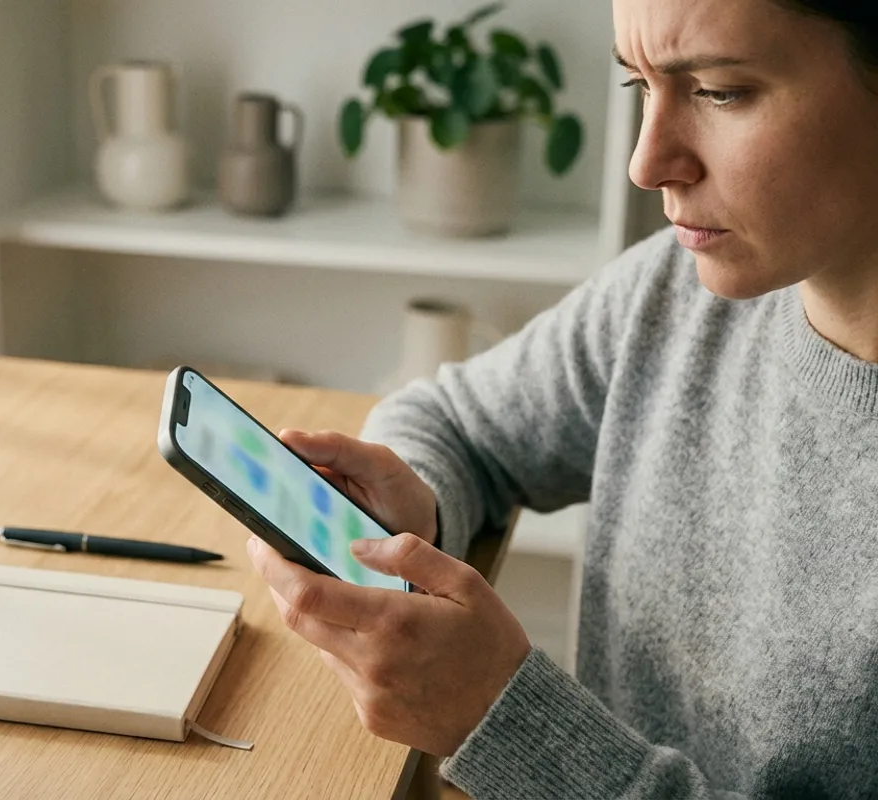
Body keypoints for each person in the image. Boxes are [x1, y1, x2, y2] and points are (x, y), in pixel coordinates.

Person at [244, 0, 878, 797]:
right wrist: (418, 499)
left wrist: (506, 722)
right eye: (639, 84)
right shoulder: (671, 296)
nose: (647, 162)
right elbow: (454, 421)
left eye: (720, 91)